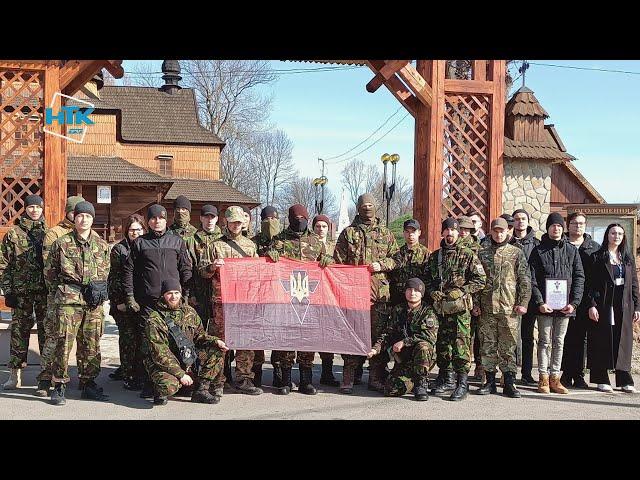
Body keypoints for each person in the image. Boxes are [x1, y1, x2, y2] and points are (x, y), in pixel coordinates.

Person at [123, 203, 192, 398]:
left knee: (176, 341)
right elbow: (128, 271)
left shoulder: (176, 241)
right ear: (149, 221)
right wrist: (130, 296)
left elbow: (186, 269)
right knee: (148, 344)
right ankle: (149, 382)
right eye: (153, 218)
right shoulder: (140, 243)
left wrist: (185, 294)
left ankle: (180, 381)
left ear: (166, 219)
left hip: (173, 302)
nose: (157, 221)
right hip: (148, 302)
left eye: (160, 218)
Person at [46, 201, 111, 405]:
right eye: (80, 216)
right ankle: (59, 384)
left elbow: (106, 272)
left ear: (93, 219)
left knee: (91, 343)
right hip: (68, 300)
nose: (84, 220)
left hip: (93, 302)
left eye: (88, 216)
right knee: (63, 342)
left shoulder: (101, 245)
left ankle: (88, 382)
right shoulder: (61, 243)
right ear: (74, 218)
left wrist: (97, 291)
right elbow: (50, 274)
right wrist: (63, 292)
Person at [334, 193, 399, 394]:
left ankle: (376, 376)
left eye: (371, 205)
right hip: (355, 295)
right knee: (352, 335)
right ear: (358, 208)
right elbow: (338, 262)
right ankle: (349, 376)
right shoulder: (348, 233)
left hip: (379, 296)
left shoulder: (386, 234)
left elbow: (396, 259)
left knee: (378, 336)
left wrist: (382, 264)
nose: (367, 209)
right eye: (364, 205)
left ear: (376, 208)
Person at [267, 204, 334, 395]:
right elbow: (269, 266)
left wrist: (329, 261)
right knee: (287, 339)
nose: (299, 222)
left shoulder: (315, 242)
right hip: (286, 298)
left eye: (303, 219)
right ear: (289, 219)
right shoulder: (279, 241)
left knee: (307, 340)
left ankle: (306, 381)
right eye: (296, 219)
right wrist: (270, 256)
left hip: (309, 299)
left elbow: (328, 267)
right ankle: (286, 381)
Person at [198, 206, 263, 395]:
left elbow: (258, 272)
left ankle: (244, 379)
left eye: (239, 222)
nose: (236, 225)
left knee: (245, 341)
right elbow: (201, 271)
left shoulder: (250, 246)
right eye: (233, 222)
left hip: (244, 301)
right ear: (226, 221)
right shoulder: (216, 245)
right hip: (222, 301)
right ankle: (218, 381)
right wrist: (212, 266)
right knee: (220, 342)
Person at [424, 217, 486, 401]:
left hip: (460, 310)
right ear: (442, 232)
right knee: (443, 345)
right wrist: (431, 291)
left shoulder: (467, 254)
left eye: (453, 230)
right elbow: (426, 279)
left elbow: (480, 280)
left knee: (461, 346)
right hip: (441, 308)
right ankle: (447, 378)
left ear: (458, 232)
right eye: (447, 230)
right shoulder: (436, 256)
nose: (450, 233)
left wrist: (462, 291)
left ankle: (462, 383)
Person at [145, 279, 228, 405]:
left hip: (187, 357)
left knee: (216, 351)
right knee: (168, 386)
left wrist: (216, 341)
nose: (173, 297)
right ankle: (158, 388)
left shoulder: (189, 312)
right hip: (165, 362)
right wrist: (180, 374)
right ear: (163, 295)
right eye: (169, 293)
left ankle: (201, 391)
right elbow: (159, 354)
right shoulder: (155, 319)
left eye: (176, 293)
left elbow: (199, 336)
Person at [34, 195, 84, 396]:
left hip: (80, 300)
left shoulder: (86, 233)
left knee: (77, 340)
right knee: (53, 339)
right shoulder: (54, 234)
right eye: (74, 212)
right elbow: (49, 268)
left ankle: (74, 377)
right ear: (68, 212)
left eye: (81, 213)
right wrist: (59, 293)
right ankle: (45, 379)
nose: (78, 216)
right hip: (58, 298)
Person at [529, 212, 584, 394]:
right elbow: (532, 279)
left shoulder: (571, 250)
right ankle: (543, 378)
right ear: (548, 228)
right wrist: (539, 302)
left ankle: (555, 378)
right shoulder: (538, 250)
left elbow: (579, 277)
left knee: (559, 341)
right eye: (553, 225)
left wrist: (574, 303)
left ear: (563, 228)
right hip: (544, 305)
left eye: (560, 226)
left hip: (565, 306)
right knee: (544, 341)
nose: (556, 228)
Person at [475, 218, 531, 398]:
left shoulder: (516, 253)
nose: (499, 234)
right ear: (491, 231)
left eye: (502, 231)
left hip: (509, 309)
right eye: (496, 231)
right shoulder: (481, 253)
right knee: (488, 345)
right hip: (487, 308)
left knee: (509, 347)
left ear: (508, 231)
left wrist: (523, 303)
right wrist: (475, 303)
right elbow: (476, 281)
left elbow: (524, 280)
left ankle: (509, 382)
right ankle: (489, 381)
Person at [0, 195, 47, 390]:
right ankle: (14, 375)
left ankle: (46, 375)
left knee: (47, 333)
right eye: (31, 207)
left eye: (38, 207)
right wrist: (8, 291)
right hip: (21, 293)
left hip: (45, 293)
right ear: (25, 209)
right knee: (19, 333)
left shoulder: (50, 233)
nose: (34, 210)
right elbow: (4, 265)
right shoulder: (13, 234)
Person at [587, 224, 639, 393]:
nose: (616, 236)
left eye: (620, 233)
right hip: (603, 304)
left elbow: (634, 285)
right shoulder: (597, 257)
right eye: (613, 233)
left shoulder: (628, 258)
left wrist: (637, 307)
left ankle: (624, 378)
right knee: (602, 339)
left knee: (622, 342)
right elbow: (590, 284)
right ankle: (601, 377)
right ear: (607, 235)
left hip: (624, 305)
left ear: (623, 237)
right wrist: (592, 305)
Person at [366, 278, 437, 401]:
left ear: (422, 293)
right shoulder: (398, 310)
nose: (412, 293)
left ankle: (421, 384)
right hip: (403, 359)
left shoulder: (428, 312)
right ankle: (412, 381)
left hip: (421, 359)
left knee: (423, 346)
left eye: (416, 290)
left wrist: (404, 342)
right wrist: (375, 349)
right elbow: (387, 333)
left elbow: (429, 336)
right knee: (390, 389)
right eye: (409, 289)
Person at [560, 212, 600, 389]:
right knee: (564, 337)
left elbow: (597, 277)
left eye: (582, 223)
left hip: (585, 300)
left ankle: (579, 374)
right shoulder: (560, 244)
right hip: (561, 298)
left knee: (580, 338)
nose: (578, 226)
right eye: (575, 223)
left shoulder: (594, 248)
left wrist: (592, 301)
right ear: (568, 225)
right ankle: (565, 374)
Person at [107, 214, 146, 391]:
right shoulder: (119, 250)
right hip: (123, 302)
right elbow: (114, 279)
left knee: (141, 338)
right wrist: (118, 303)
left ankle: (136, 370)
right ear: (126, 231)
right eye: (132, 230)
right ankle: (128, 374)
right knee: (128, 338)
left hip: (142, 302)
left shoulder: (147, 246)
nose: (135, 233)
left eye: (138, 229)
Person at [249, 206, 281, 386]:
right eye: (266, 219)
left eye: (274, 219)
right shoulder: (253, 243)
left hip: (278, 296)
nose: (270, 223)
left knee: (278, 334)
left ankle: (277, 371)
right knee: (258, 334)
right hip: (258, 297)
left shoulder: (283, 242)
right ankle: (257, 372)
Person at [511, 208, 540, 386]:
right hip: (509, 296)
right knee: (512, 336)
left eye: (523, 218)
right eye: (517, 219)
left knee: (527, 337)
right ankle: (511, 372)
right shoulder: (508, 242)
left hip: (530, 297)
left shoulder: (536, 244)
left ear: (528, 221)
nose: (520, 221)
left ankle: (527, 373)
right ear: (513, 222)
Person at [184, 205, 222, 330]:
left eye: (213, 217)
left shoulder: (224, 240)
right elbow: (188, 268)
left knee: (219, 330)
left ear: (217, 219)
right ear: (201, 218)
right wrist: (190, 293)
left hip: (220, 293)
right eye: (206, 216)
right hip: (199, 293)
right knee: (198, 330)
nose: (209, 220)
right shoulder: (191, 241)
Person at [313, 213, 340, 387]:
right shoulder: (308, 244)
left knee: (328, 334)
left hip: (329, 295)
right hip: (311, 294)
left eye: (324, 226)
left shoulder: (334, 246)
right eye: (317, 226)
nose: (321, 229)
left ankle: (327, 371)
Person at [457, 215, 483, 380]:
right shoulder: (450, 246)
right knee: (461, 336)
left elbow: (481, 278)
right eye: (460, 229)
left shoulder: (478, 248)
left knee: (477, 335)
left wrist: (476, 302)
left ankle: (479, 366)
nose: (463, 232)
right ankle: (458, 370)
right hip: (456, 301)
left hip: (473, 298)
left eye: (466, 229)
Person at [388, 219, 430, 306]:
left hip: (417, 298)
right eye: (407, 231)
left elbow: (429, 278)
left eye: (413, 231)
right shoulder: (396, 253)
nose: (410, 234)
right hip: (399, 298)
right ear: (403, 233)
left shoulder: (426, 254)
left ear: (419, 233)